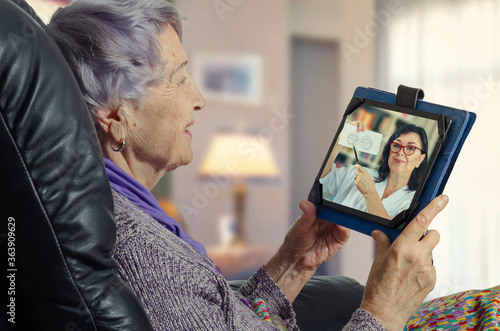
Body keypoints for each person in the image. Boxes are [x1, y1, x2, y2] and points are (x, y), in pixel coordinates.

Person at [47, 1, 446, 330]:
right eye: (179, 78)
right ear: (114, 115)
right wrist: (384, 310)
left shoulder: (118, 212)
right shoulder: (143, 255)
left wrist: (293, 264)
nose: (198, 98)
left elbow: (218, 321)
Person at [320, 121, 428, 220]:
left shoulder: (414, 202)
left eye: (410, 148)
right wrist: (340, 140)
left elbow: (395, 235)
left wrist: (370, 193)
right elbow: (322, 179)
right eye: (396, 145)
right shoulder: (359, 174)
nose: (400, 152)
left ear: (420, 159)